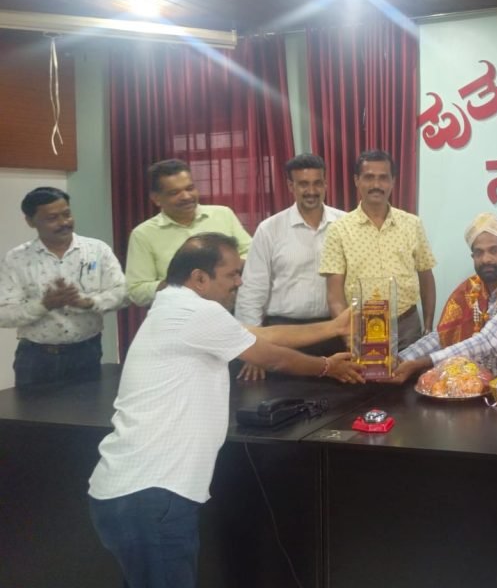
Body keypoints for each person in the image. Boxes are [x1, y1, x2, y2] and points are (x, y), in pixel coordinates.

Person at [88, 233, 363, 588]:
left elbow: (260, 335)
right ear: (199, 278)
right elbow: (272, 357)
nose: (239, 282)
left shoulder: (178, 307)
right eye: (232, 274)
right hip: (152, 495)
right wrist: (327, 366)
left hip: (135, 495)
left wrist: (333, 327)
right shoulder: (194, 312)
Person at [390, 213, 497, 381]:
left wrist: (421, 363)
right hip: (484, 382)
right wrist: (401, 358)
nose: (486, 259)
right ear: (473, 257)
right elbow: (443, 334)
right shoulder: (471, 289)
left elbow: (487, 342)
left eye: (494, 250)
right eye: (479, 252)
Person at [0, 187, 126, 388]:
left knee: (87, 408)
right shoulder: (16, 259)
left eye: (66, 214)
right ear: (31, 221)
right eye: (52, 218)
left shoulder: (97, 250)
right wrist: (44, 305)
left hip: (87, 353)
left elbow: (122, 293)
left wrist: (88, 302)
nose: (64, 223)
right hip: (36, 358)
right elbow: (4, 314)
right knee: (32, 410)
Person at [234, 154, 344, 380]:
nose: (311, 191)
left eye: (317, 183)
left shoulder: (346, 225)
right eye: (303, 184)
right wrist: (252, 350)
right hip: (283, 335)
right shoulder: (269, 229)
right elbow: (252, 291)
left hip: (334, 332)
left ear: (325, 184)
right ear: (291, 186)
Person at [320, 149, 437, 349]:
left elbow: (426, 277)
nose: (376, 185)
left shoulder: (412, 224)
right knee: (364, 372)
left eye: (383, 178)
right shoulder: (339, 230)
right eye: (369, 177)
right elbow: (334, 293)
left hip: (407, 327)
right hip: (360, 327)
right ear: (356, 180)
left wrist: (427, 327)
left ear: (393, 181)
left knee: (410, 371)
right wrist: (348, 334)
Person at [125, 158, 252, 306]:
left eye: (190, 188)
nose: (186, 196)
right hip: (179, 313)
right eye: (174, 193)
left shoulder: (223, 214)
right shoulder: (143, 234)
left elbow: (252, 253)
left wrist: (229, 268)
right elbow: (136, 290)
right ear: (156, 198)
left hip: (234, 308)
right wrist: (181, 283)